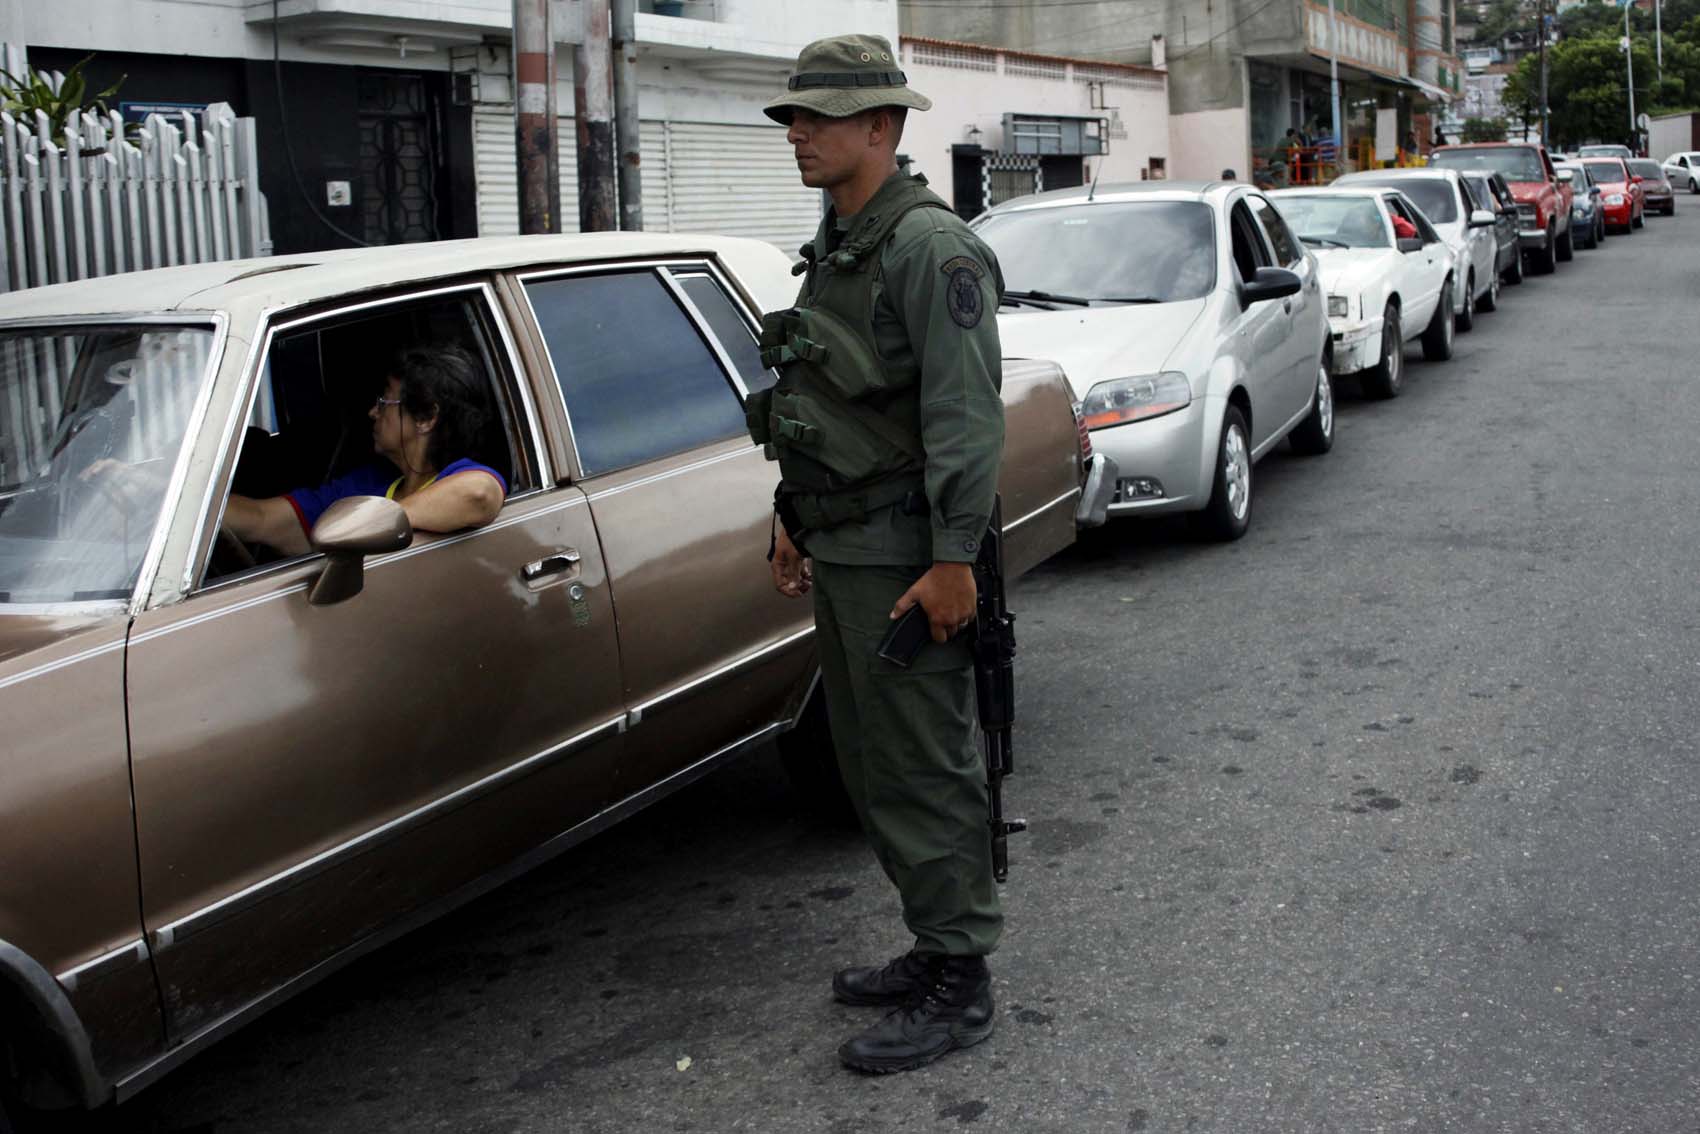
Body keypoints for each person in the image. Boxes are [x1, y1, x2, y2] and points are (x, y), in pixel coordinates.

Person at [751, 33, 1006, 1073]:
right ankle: (929, 942)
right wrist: (790, 511)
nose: (797, 133)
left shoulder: (927, 248)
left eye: (816, 116)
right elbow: (820, 400)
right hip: (847, 545)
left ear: (880, 126)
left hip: (908, 555)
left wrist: (952, 561)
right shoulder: (841, 244)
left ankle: (959, 976)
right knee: (867, 762)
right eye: (794, 117)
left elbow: (963, 419)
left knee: (922, 765)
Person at [223, 345, 506, 557]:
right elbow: (262, 519)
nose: (373, 412)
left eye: (385, 402)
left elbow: (479, 493)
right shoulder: (370, 483)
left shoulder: (461, 476)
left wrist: (370, 523)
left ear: (425, 418)